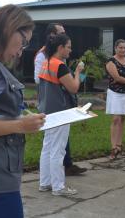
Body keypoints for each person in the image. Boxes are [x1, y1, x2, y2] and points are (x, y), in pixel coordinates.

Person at [0, 4, 45, 218]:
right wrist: (19, 125)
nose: (22, 50)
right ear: (9, 29)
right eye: (24, 41)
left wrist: (18, 119)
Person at [34, 23, 86, 176]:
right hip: (60, 111)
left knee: (47, 148)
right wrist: (77, 72)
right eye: (68, 47)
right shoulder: (59, 66)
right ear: (60, 47)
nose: (70, 50)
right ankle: (58, 186)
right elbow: (73, 88)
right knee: (58, 150)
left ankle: (45, 182)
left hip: (47, 109)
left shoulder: (46, 62)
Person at [106, 39, 125, 160]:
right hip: (115, 93)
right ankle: (113, 147)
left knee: (123, 119)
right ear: (115, 48)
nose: (123, 50)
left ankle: (119, 145)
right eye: (120, 47)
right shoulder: (110, 61)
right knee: (116, 119)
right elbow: (117, 78)